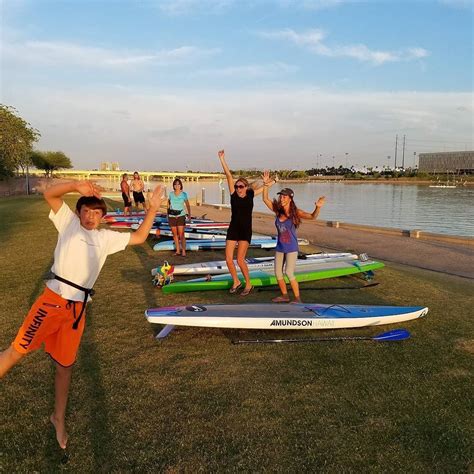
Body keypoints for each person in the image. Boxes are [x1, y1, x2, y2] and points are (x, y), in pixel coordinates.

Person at [0, 179, 164, 450]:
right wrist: (77, 185)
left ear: (102, 217)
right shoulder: (69, 224)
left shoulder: (104, 238)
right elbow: (51, 195)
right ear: (79, 213)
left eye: (96, 213)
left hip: (77, 311)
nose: (91, 217)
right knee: (17, 351)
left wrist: (152, 210)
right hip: (52, 302)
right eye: (86, 211)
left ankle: (58, 418)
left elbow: (139, 237)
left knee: (65, 368)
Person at [218, 149, 276, 296]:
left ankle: (248, 284)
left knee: (240, 259)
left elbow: (265, 189)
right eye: (237, 186)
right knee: (228, 259)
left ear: (246, 187)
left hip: (245, 230)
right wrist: (222, 159)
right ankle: (236, 281)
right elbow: (229, 176)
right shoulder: (233, 195)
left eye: (241, 186)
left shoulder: (250, 194)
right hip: (233, 229)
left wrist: (272, 181)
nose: (238, 189)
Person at [262, 171, 326, 303]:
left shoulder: (296, 212)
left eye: (284, 197)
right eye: (281, 197)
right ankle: (285, 296)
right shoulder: (277, 210)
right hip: (280, 247)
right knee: (278, 274)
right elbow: (265, 199)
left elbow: (313, 217)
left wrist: (317, 207)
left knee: (289, 273)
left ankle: (298, 299)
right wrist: (265, 185)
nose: (282, 199)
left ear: (290, 198)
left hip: (291, 247)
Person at [167, 178, 191, 257]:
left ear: (181, 185)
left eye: (178, 184)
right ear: (173, 186)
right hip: (172, 216)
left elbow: (187, 205)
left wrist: (189, 215)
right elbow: (168, 204)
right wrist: (168, 214)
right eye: (175, 184)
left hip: (181, 215)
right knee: (174, 234)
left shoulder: (184, 194)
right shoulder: (171, 194)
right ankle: (177, 251)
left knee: (181, 234)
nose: (177, 186)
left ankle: (183, 251)